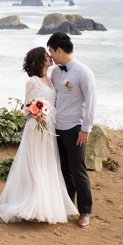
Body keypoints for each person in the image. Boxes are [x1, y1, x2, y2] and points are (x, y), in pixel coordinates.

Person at [0, 47, 78, 224]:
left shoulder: (52, 78)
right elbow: (27, 107)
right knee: (36, 164)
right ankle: (33, 203)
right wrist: (36, 114)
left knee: (47, 163)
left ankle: (45, 203)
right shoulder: (33, 82)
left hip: (50, 127)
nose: (50, 57)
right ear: (40, 59)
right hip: (37, 128)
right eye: (46, 55)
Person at [47, 31, 96, 228]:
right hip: (56, 127)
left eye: (51, 51)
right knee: (63, 170)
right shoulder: (56, 72)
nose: (50, 55)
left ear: (59, 50)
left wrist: (86, 129)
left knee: (78, 170)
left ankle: (85, 211)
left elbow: (91, 102)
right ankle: (68, 206)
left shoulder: (84, 72)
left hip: (75, 128)